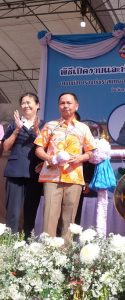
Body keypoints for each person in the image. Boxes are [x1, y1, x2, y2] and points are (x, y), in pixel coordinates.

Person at [34, 92, 96, 240]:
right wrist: (49, 158)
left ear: (76, 106)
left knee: (69, 219)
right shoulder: (50, 126)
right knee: (50, 215)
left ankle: (65, 253)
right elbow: (38, 149)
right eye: (62, 103)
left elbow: (91, 152)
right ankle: (47, 252)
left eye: (69, 103)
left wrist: (80, 158)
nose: (65, 106)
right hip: (51, 176)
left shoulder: (83, 128)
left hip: (74, 177)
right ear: (58, 106)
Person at [3, 92, 44, 239]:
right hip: (15, 173)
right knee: (12, 212)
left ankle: (28, 243)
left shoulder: (44, 125)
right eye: (23, 103)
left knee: (31, 211)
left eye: (29, 102)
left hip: (35, 173)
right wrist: (16, 130)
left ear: (37, 105)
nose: (26, 105)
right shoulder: (14, 123)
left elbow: (47, 148)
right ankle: (10, 244)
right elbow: (6, 147)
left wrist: (37, 131)